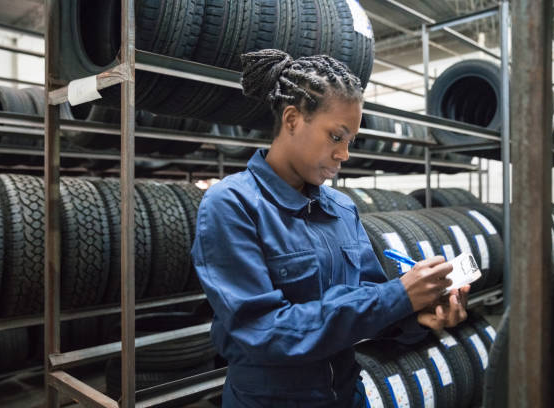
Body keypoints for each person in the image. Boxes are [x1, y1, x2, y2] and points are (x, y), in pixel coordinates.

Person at [191, 49, 470, 408]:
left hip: (347, 396)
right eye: (336, 136)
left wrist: (418, 314)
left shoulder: (341, 208)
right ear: (292, 120)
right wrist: (396, 297)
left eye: (350, 140)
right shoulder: (231, 205)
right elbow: (265, 332)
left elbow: (370, 310)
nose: (345, 154)